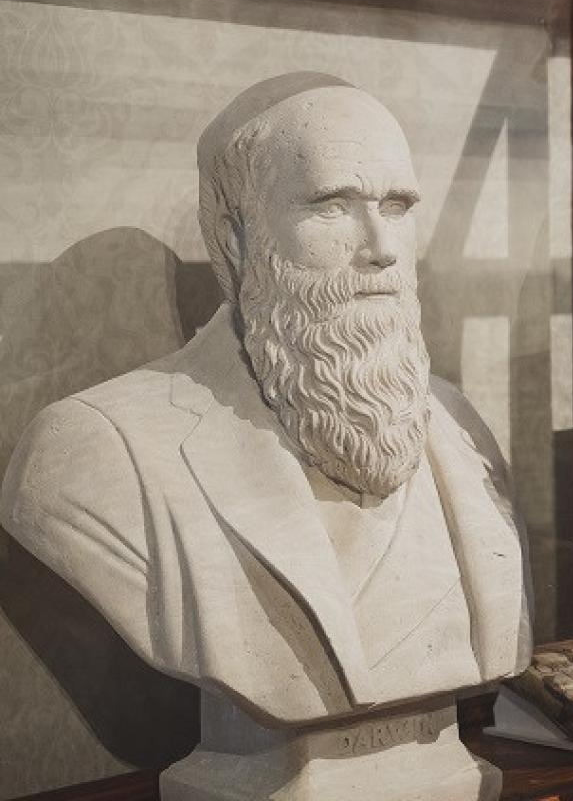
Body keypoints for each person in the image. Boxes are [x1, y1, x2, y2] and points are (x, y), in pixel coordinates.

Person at [1, 74, 531, 728]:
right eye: (332, 206)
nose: (382, 249)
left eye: (397, 207)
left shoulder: (460, 427)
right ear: (234, 235)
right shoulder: (93, 453)